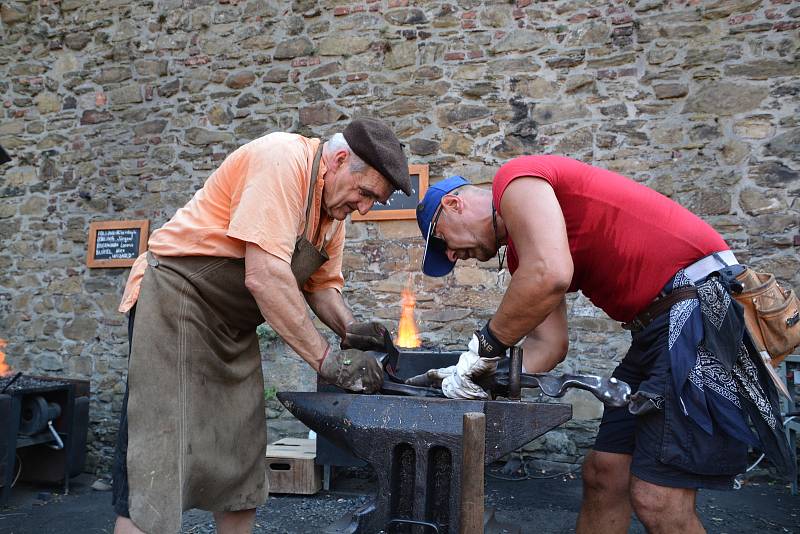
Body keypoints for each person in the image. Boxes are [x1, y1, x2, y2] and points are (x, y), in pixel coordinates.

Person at [412, 155, 794, 534]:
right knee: (604, 473)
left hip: (696, 312)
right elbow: (549, 345)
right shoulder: (521, 254)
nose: (451, 256)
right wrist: (477, 376)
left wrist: (486, 347)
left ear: (453, 203)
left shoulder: (514, 180)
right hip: (655, 331)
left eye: (442, 240)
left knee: (657, 498)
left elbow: (551, 274)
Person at [113, 118, 408, 534]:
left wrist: (352, 328)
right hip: (176, 307)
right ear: (340, 160)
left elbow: (321, 287)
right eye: (364, 193)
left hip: (232, 328)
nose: (362, 207)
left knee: (240, 464)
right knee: (156, 465)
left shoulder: (332, 216)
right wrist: (328, 361)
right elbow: (265, 276)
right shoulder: (282, 159)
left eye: (372, 201)